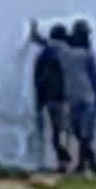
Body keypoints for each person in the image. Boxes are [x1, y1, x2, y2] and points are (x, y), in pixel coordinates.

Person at [29, 21, 72, 172]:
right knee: (64, 131)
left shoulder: (47, 51)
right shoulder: (68, 50)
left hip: (50, 96)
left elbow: (39, 76)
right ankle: (64, 161)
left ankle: (62, 160)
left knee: (55, 130)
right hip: (66, 96)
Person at [63, 20, 96, 175]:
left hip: (74, 98)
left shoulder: (66, 53)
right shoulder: (88, 54)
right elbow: (94, 78)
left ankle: (83, 164)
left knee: (80, 134)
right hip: (87, 97)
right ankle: (89, 161)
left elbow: (51, 45)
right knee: (84, 135)